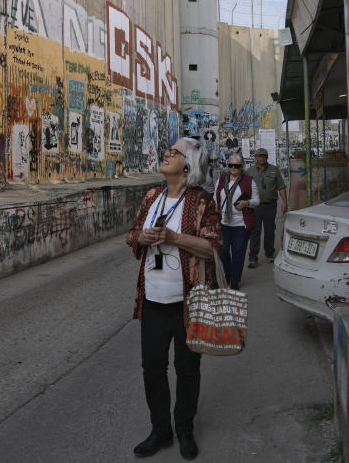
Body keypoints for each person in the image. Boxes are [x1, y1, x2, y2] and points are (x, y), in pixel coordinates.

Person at [125, 137, 221, 460]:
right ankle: (161, 431)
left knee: (187, 368)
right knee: (152, 367)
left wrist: (173, 237)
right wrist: (144, 236)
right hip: (152, 301)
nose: (166, 154)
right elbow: (132, 235)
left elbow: (212, 247)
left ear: (188, 165)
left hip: (188, 304)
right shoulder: (152, 196)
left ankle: (184, 429)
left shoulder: (203, 200)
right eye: (168, 150)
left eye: (174, 152)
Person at [213, 154, 259, 288]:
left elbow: (257, 201)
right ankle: (227, 272)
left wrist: (247, 202)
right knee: (224, 250)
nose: (233, 168)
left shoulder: (249, 181)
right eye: (231, 165)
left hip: (241, 223)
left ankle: (234, 280)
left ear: (241, 167)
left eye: (236, 166)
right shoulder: (222, 180)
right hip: (224, 223)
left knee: (238, 251)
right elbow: (216, 198)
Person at [246, 147, 288, 267]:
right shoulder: (249, 172)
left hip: (270, 205)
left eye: (264, 156)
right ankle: (253, 257)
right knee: (255, 232)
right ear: (255, 158)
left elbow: (281, 187)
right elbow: (244, 188)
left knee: (270, 231)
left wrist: (285, 202)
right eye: (259, 156)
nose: (262, 158)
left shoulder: (274, 170)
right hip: (255, 207)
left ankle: (269, 253)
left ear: (267, 157)